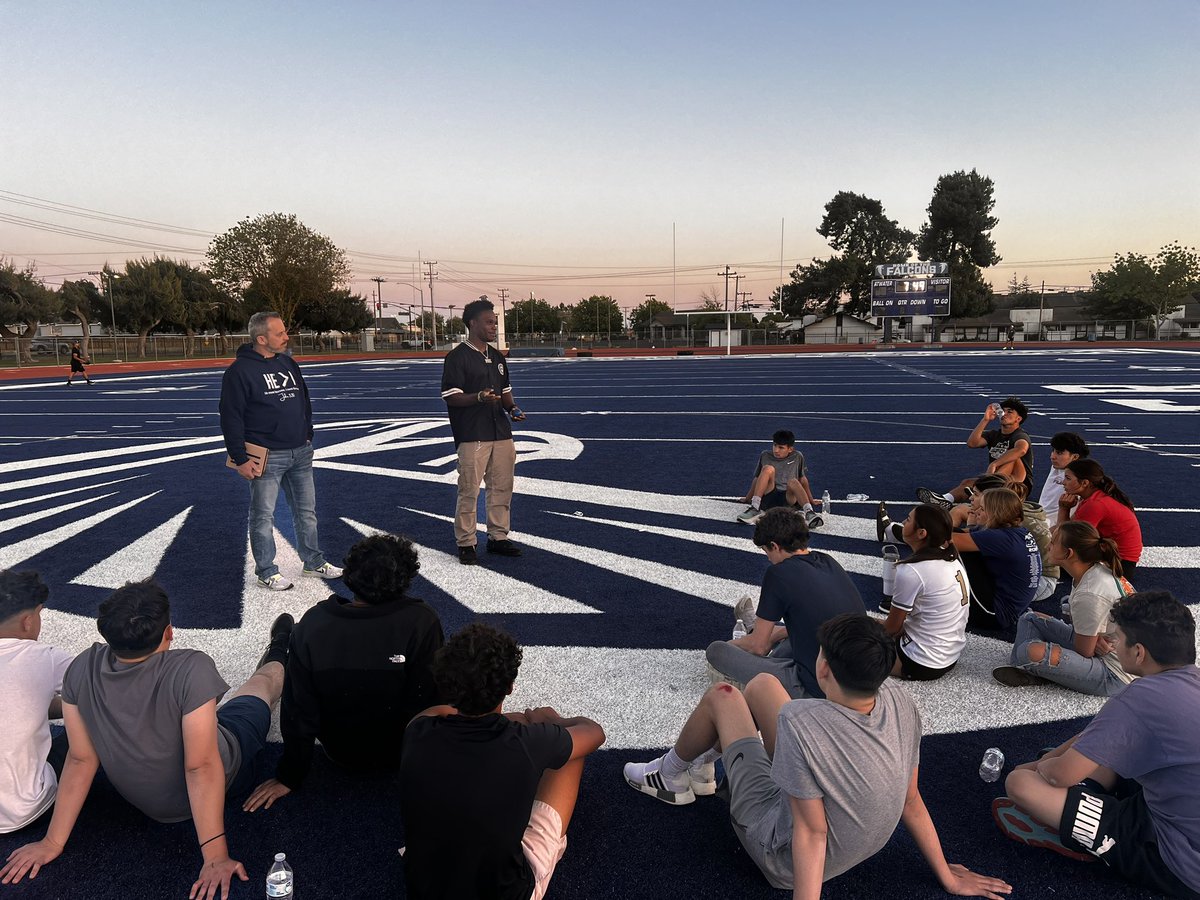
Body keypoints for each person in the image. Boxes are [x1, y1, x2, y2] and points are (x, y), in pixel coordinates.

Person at [625, 615, 1011, 898]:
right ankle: (707, 765)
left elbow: (811, 833)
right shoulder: (900, 699)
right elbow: (910, 798)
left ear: (823, 667)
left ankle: (671, 774)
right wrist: (946, 874)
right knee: (762, 685)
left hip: (783, 859)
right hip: (860, 844)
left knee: (723, 697)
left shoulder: (801, 721)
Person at [0, 579, 292, 899]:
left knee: (209, 714)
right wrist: (215, 856)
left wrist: (51, 843)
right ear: (169, 633)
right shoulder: (191, 667)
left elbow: (81, 758)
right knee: (261, 687)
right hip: (227, 767)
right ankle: (281, 648)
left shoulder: (81, 668)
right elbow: (200, 766)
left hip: (153, 792)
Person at [993, 591, 1200, 899]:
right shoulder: (1191, 681)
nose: (1112, 645)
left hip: (1178, 857)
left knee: (1021, 783)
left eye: (1117, 640)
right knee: (1095, 756)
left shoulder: (1139, 699)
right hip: (1181, 811)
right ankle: (1085, 802)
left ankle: (1079, 835)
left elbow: (1058, 775)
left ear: (1139, 653)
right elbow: (1098, 739)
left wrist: (1038, 767)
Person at [399, 622, 605, 900]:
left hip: (426, 888)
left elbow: (437, 712)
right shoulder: (528, 742)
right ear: (509, 686)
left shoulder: (418, 731)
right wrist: (551, 721)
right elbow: (594, 733)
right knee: (570, 757)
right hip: (505, 892)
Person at [243, 533, 444, 812]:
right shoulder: (422, 621)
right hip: (401, 756)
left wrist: (289, 775)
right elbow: (430, 698)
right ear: (405, 579)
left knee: (288, 655)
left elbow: (298, 710)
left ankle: (282, 639)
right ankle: (283, 638)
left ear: (350, 574)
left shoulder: (316, 623)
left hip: (338, 751)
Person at [219, 310, 341, 591]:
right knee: (263, 516)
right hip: (267, 456)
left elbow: (303, 399)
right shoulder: (239, 371)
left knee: (306, 512)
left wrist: (307, 433)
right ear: (261, 338)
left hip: (300, 451)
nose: (287, 337)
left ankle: (313, 561)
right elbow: (230, 416)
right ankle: (266, 570)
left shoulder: (288, 363)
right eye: (280, 333)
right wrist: (240, 458)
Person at [707, 507, 864, 699]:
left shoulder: (778, 573)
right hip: (857, 676)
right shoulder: (827, 560)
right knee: (789, 632)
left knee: (717, 651)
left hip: (815, 687)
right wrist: (774, 636)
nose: (769, 558)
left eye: (766, 551)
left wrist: (734, 646)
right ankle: (762, 633)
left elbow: (758, 647)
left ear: (774, 545)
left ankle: (756, 633)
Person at [993, 521, 1135, 695]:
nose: (1048, 545)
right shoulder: (1095, 570)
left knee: (1029, 651)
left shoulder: (1090, 593)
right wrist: (1096, 637)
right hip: (1117, 651)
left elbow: (1085, 651)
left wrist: (1094, 639)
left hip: (1115, 674)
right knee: (1029, 619)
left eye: (1053, 543)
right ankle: (1033, 669)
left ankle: (1032, 669)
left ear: (1069, 553)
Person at [441, 298, 527, 566]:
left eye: (495, 323)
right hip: (472, 433)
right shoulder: (457, 357)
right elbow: (451, 396)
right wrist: (478, 397)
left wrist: (512, 409)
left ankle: (497, 537)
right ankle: (466, 542)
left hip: (500, 431)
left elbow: (506, 393)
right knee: (469, 490)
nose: (493, 327)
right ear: (472, 323)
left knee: (502, 488)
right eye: (489, 322)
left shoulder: (498, 357)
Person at [0, 570, 74, 834]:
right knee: (86, 728)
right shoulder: (45, 657)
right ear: (28, 621)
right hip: (26, 810)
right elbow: (98, 693)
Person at [874, 504, 970, 680]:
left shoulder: (911, 570)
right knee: (867, 622)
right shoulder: (951, 558)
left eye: (909, 519)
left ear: (921, 533)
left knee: (845, 644)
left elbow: (892, 628)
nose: (903, 522)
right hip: (949, 654)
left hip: (921, 661)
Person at [950, 488, 1041, 631]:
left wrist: (922, 525)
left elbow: (944, 539)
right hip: (1011, 608)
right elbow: (964, 534)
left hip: (996, 615)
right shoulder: (1015, 532)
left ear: (996, 514)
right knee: (962, 543)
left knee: (954, 549)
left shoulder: (1000, 538)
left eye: (983, 509)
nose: (977, 511)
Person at [918, 397, 1035, 506]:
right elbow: (972, 443)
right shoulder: (994, 434)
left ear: (1018, 419)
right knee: (967, 483)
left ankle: (987, 492)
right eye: (1003, 410)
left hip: (1019, 484)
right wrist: (985, 419)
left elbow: (1021, 449)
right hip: (998, 479)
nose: (1004, 413)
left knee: (1012, 459)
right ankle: (944, 500)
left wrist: (994, 464)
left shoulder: (1020, 435)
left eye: (1010, 412)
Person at [1057, 458, 1142, 577]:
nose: (1063, 482)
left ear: (1085, 483)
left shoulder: (1095, 504)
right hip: (1119, 560)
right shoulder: (1094, 497)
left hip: (1118, 565)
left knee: (1050, 561)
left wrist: (1063, 508)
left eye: (1068, 478)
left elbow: (1064, 536)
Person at [735, 429, 823, 529]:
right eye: (774, 445)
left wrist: (810, 500)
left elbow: (802, 479)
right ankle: (754, 508)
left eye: (781, 447)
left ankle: (809, 513)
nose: (776, 450)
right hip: (770, 495)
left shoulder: (798, 456)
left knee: (794, 481)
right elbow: (757, 479)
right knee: (768, 469)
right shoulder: (765, 455)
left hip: (788, 498)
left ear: (790, 449)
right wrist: (747, 498)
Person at [1037, 432, 1089, 512]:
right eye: (1053, 451)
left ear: (1075, 457)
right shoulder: (1057, 467)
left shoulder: (1080, 477)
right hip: (1041, 514)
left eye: (1059, 453)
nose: (1052, 457)